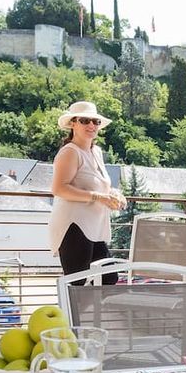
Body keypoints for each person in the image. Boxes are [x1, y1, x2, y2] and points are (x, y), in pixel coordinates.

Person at [48, 101, 126, 285]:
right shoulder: (70, 152)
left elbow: (97, 183)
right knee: (78, 283)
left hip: (93, 227)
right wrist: (99, 197)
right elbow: (59, 189)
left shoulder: (95, 151)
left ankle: (92, 305)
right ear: (73, 124)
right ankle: (74, 305)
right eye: (85, 120)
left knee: (108, 277)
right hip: (73, 226)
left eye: (95, 121)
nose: (91, 125)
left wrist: (114, 194)